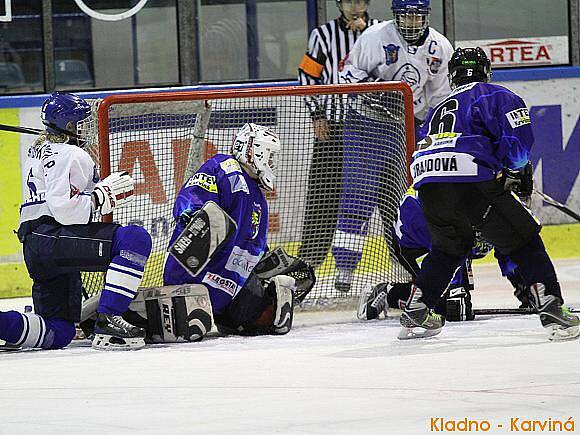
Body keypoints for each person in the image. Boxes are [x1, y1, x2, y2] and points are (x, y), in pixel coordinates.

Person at [399, 47, 579, 340]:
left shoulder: (438, 107)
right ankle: (551, 307)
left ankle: (417, 309)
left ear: (452, 75)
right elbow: (517, 144)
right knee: (524, 239)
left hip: (428, 185)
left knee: (449, 248)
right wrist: (513, 171)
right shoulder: (495, 94)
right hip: (469, 179)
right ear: (487, 71)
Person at [0, 92, 152, 351]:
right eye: (82, 122)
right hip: (52, 238)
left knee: (58, 331)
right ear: (69, 126)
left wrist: (100, 193)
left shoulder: (37, 149)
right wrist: (101, 197)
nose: (87, 127)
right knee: (135, 239)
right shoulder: (71, 154)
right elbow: (65, 212)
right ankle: (108, 320)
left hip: (36, 246)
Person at [332, 0, 454, 291]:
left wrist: (431, 130)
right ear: (396, 16)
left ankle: (420, 262)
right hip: (366, 123)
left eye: (417, 16)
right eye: (405, 16)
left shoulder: (440, 47)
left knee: (421, 193)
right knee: (357, 193)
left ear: (426, 16)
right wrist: (375, 91)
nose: (412, 22)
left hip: (411, 127)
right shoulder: (375, 37)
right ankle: (345, 268)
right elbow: (347, 72)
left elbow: (440, 97)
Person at [162, 123, 314, 337]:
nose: (271, 163)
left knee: (275, 316)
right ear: (255, 151)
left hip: (227, 291)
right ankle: (168, 304)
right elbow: (193, 196)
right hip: (193, 278)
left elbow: (251, 244)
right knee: (190, 329)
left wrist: (269, 261)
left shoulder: (258, 197)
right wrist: (191, 215)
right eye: (269, 156)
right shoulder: (224, 167)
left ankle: (231, 318)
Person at [357, 185, 533, 321]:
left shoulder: (493, 200)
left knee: (452, 305)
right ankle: (386, 293)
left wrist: (526, 285)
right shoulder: (458, 199)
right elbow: (448, 247)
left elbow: (510, 246)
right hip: (417, 241)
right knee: (445, 306)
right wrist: (457, 290)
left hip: (451, 233)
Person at [297, 0, 380, 273]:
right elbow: (308, 77)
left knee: (388, 197)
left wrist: (367, 32)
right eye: (349, 1)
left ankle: (404, 256)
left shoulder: (382, 32)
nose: (355, 6)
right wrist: (317, 114)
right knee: (323, 198)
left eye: (360, 1)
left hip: (374, 129)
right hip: (333, 128)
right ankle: (308, 264)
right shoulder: (322, 35)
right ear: (339, 4)